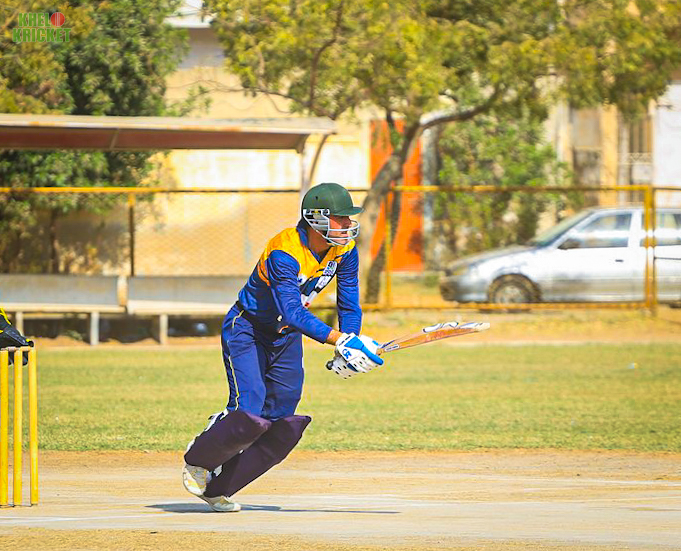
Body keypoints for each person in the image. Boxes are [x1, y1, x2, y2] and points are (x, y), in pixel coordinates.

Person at [182, 182, 384, 512]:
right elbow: (291, 310)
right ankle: (201, 456)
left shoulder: (344, 250)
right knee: (249, 408)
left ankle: (220, 486)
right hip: (247, 328)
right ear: (316, 219)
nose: (348, 224)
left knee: (281, 417)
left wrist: (350, 343)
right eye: (341, 218)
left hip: (286, 336)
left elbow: (349, 303)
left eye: (349, 218)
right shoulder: (284, 251)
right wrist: (338, 339)